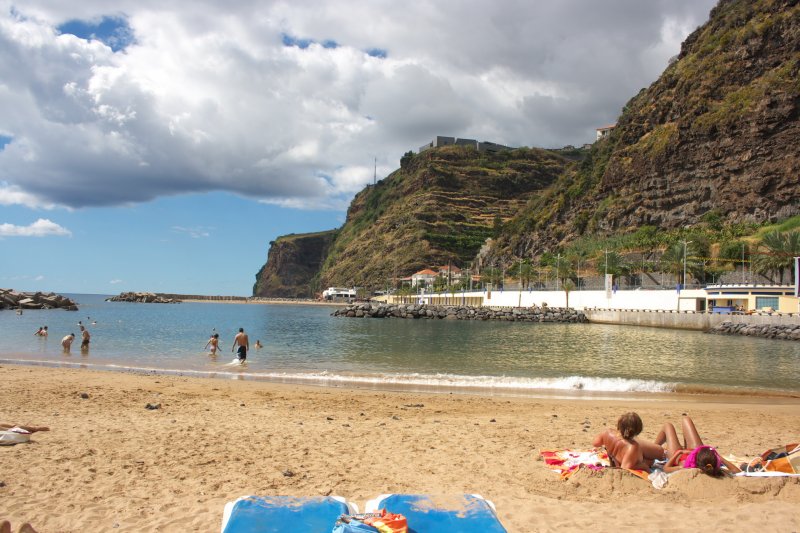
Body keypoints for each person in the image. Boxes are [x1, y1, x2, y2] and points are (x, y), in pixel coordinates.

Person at [656, 416, 740, 475]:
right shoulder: (712, 467)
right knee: (686, 419)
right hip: (694, 450)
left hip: (677, 455)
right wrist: (719, 457)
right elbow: (737, 471)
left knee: (668, 426)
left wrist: (679, 452)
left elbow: (666, 468)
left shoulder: (686, 467)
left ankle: (653, 448)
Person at [592, 412, 664, 470]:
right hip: (624, 461)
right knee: (652, 459)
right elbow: (624, 468)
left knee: (652, 458)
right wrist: (643, 466)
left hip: (618, 459)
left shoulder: (608, 432)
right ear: (638, 431)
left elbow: (595, 443)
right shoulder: (632, 447)